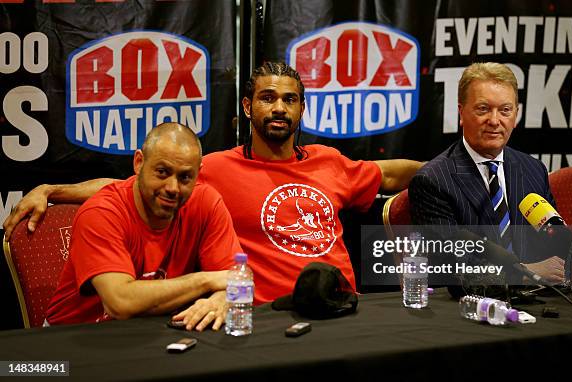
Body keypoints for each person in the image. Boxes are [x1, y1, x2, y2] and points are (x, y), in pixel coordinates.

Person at [3, 62, 422, 304]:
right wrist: (51, 191)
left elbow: (388, 173)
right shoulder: (214, 169)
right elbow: (130, 187)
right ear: (247, 106)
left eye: (289, 100)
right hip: (264, 315)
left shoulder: (329, 162)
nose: (279, 108)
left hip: (344, 305)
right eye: (267, 98)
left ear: (301, 109)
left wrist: (450, 167)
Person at [409, 62, 572, 284]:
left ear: (516, 115)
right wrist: (524, 274)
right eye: (483, 109)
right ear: (461, 112)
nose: (494, 120)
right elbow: (448, 264)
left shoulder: (532, 170)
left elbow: (553, 236)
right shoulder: (433, 181)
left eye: (505, 110)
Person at [44, 123, 242, 330]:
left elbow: (238, 278)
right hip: (73, 337)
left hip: (151, 332)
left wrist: (222, 298)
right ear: (139, 163)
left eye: (184, 177)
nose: (172, 188)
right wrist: (206, 281)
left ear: (197, 174)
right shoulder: (100, 213)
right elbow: (120, 303)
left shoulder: (206, 202)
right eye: (162, 172)